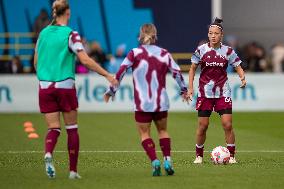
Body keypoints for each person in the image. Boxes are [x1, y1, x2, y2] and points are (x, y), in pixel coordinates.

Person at [33, 0, 117, 179]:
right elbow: (85, 60)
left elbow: (35, 62)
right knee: (72, 128)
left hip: (45, 87)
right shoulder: (71, 34)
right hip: (64, 86)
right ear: (68, 13)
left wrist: (45, 77)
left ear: (54, 12)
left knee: (53, 128)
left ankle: (48, 153)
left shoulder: (43, 34)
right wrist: (107, 75)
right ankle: (72, 172)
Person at [104, 23, 188, 176]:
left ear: (140, 36)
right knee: (163, 131)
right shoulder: (164, 53)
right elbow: (177, 72)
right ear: (155, 35)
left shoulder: (134, 53)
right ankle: (167, 160)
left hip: (142, 103)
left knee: (144, 134)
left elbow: (121, 72)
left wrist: (111, 91)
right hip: (161, 102)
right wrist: (184, 90)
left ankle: (154, 160)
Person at [187, 18, 246, 164]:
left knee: (227, 124)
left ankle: (231, 156)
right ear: (208, 35)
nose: (213, 36)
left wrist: (242, 77)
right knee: (203, 125)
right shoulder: (201, 50)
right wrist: (190, 87)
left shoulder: (228, 51)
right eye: (210, 33)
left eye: (216, 33)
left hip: (222, 93)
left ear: (221, 35)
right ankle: (199, 156)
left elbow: (237, 65)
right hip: (205, 94)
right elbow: (193, 68)